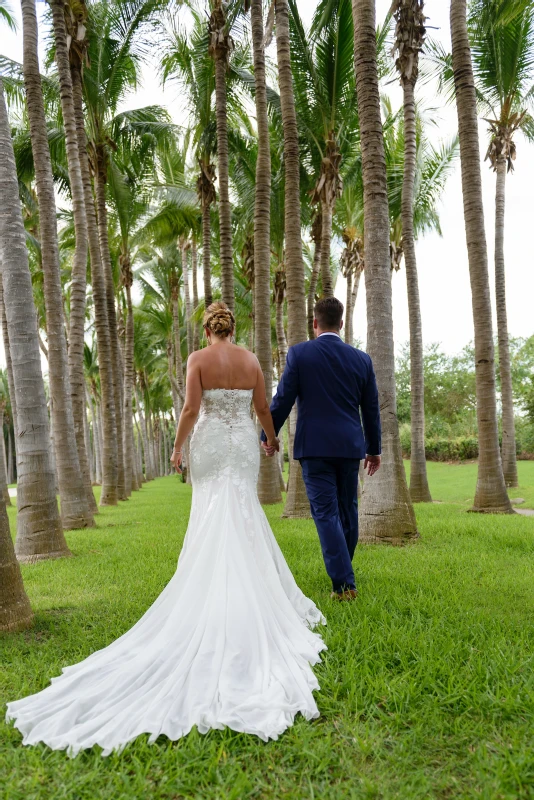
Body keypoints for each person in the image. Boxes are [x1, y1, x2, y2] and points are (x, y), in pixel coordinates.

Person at [6, 302, 325, 756]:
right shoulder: (252, 360)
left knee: (215, 509)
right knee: (243, 510)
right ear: (233, 327)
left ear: (208, 328)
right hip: (241, 446)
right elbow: (261, 409)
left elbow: (192, 409)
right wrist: (272, 440)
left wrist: (178, 449)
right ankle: (248, 587)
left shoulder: (198, 359)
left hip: (212, 443)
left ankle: (213, 586)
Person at [262, 297, 381, 601]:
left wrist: (268, 435)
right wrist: (374, 449)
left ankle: (344, 585)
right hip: (349, 447)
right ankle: (344, 572)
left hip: (314, 448)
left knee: (326, 513)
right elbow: (371, 409)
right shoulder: (361, 359)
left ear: (314, 323)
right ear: (341, 323)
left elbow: (283, 399)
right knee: (347, 510)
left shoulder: (300, 354)